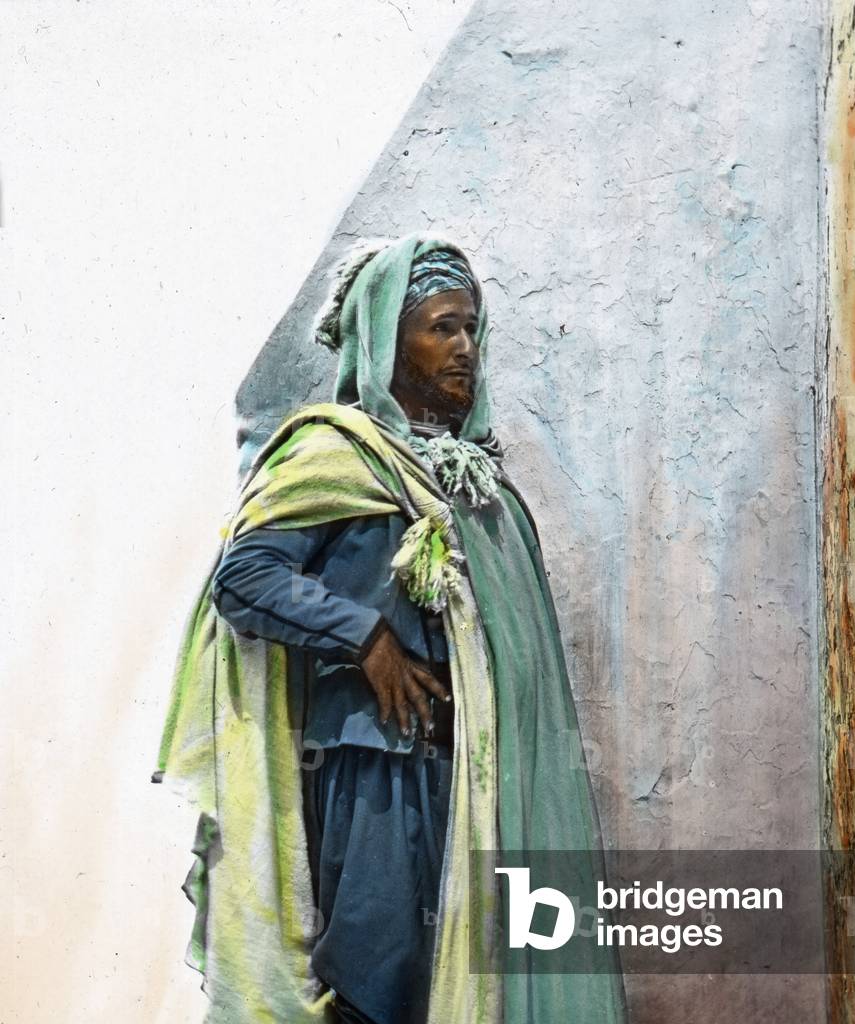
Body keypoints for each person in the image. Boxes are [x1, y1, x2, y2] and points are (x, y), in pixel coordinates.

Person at [153, 232, 628, 1024]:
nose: (464, 348)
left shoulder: (477, 481)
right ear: (386, 339)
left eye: (470, 328)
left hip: (474, 779)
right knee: (376, 987)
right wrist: (365, 637)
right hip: (373, 774)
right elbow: (244, 578)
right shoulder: (333, 454)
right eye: (441, 327)